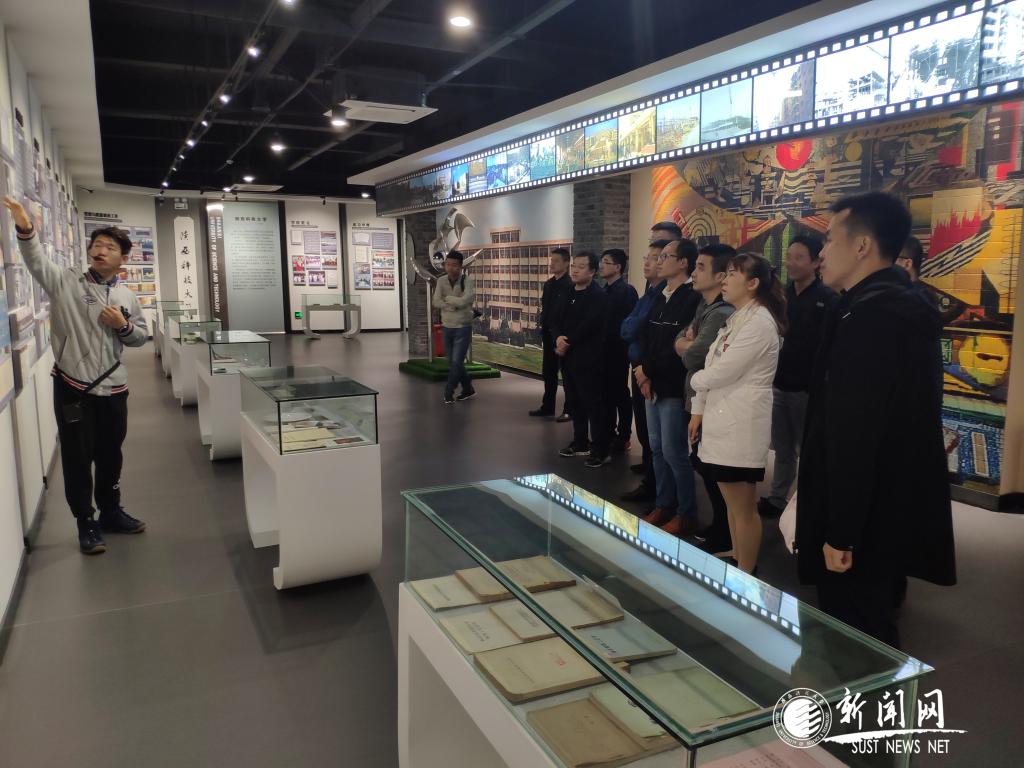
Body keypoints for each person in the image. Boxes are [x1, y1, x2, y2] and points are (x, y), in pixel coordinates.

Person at [796, 192, 956, 648]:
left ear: (862, 245)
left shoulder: (874, 317)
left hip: (866, 516)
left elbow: (856, 432)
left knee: (857, 634)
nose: (822, 253)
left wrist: (841, 532)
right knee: (864, 625)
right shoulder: (885, 305)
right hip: (883, 506)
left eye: (830, 240)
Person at [5, 196, 148, 555]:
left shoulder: (126, 294)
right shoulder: (66, 281)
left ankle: (111, 512)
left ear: (123, 258)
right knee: (77, 457)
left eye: (109, 247)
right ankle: (86, 521)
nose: (100, 250)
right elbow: (36, 259)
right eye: (97, 244)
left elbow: (141, 338)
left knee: (111, 454)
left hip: (114, 389)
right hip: (73, 389)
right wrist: (25, 226)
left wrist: (123, 325)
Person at [689, 253, 784, 574]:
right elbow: (712, 362)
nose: (725, 280)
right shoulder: (737, 319)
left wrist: (694, 379)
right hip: (723, 420)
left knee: (743, 507)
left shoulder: (759, 323)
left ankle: (747, 571)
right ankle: (737, 554)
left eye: (732, 274)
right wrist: (699, 406)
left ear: (753, 283)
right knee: (731, 503)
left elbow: (719, 371)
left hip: (741, 425)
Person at [758, 236, 835, 518]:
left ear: (815, 262)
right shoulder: (781, 296)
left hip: (807, 390)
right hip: (778, 384)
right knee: (782, 448)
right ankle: (778, 498)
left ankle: (809, 506)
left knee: (810, 451)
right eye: (789, 256)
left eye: (799, 257)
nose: (791, 263)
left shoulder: (828, 299)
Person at [635, 239, 701, 535]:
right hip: (650, 382)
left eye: (665, 256)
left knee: (675, 452)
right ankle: (664, 503)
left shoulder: (691, 298)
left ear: (683, 262)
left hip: (672, 385)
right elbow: (646, 337)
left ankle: (686, 512)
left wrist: (647, 370)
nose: (658, 261)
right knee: (657, 448)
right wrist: (643, 371)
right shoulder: (659, 295)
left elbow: (679, 346)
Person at [675, 244, 736, 555]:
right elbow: (680, 339)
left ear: (721, 275)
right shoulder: (704, 307)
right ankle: (720, 527)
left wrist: (687, 344)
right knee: (704, 466)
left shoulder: (722, 313)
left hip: (712, 403)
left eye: (701, 267)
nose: (694, 273)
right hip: (697, 398)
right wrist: (686, 342)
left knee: (714, 472)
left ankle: (725, 533)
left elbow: (694, 355)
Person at [619, 241, 669, 503]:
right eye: (647, 257)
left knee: (658, 440)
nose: (649, 262)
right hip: (638, 366)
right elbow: (626, 329)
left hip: (651, 370)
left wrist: (645, 368)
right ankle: (651, 482)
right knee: (646, 431)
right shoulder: (648, 294)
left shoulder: (664, 297)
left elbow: (643, 330)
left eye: (656, 257)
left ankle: (658, 490)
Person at [556, 252, 610, 467]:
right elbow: (555, 318)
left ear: (592, 271)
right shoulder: (567, 291)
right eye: (574, 266)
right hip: (568, 357)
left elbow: (590, 324)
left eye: (581, 266)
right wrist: (558, 337)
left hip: (589, 358)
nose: (575, 270)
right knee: (574, 401)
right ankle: (580, 442)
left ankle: (600, 450)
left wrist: (568, 341)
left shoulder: (598, 295)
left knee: (593, 404)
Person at [599, 248, 638, 453]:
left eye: (606, 262)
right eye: (601, 261)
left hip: (618, 351)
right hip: (602, 351)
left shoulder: (627, 291)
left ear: (618, 267)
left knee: (619, 394)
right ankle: (608, 433)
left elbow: (631, 323)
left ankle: (624, 436)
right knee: (605, 394)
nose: (601, 266)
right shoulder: (603, 291)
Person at [530, 248, 573, 419]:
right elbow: (546, 309)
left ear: (566, 263)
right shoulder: (549, 284)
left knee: (567, 374)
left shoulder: (570, 285)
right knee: (548, 372)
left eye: (556, 261)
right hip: (549, 334)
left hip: (563, 336)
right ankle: (547, 406)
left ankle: (569, 409)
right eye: (551, 260)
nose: (552, 264)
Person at [433, 250, 476, 404]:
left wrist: (449, 299)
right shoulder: (441, 281)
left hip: (463, 327)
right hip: (447, 326)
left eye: (454, 265)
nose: (451, 268)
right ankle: (468, 388)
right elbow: (436, 301)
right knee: (452, 361)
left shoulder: (467, 280)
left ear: (460, 266)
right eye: (448, 264)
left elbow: (467, 300)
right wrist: (453, 304)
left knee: (457, 362)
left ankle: (448, 391)